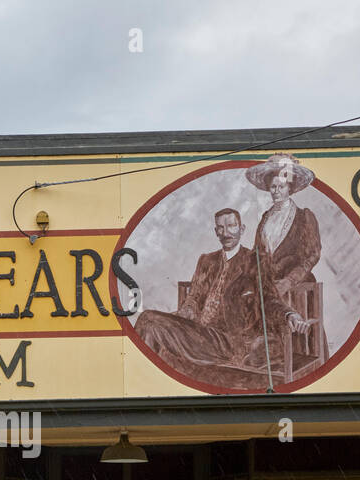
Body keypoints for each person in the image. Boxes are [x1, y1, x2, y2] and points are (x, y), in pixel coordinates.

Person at [134, 207, 301, 384]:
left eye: (231, 226)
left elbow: (270, 299)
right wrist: (183, 315)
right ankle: (142, 382)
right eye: (220, 228)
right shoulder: (207, 260)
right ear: (216, 232)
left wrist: (289, 314)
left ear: (242, 229)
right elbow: (195, 298)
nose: (226, 232)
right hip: (199, 334)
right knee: (150, 321)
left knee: (147, 319)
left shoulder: (255, 261)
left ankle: (139, 382)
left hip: (229, 341)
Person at [246, 153, 326, 361]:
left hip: (298, 286)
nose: (276, 191)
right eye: (273, 187)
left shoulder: (304, 216)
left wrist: (288, 281)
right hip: (270, 286)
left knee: (298, 343)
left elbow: (312, 255)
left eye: (281, 186)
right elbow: (256, 254)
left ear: (290, 188)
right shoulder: (266, 218)